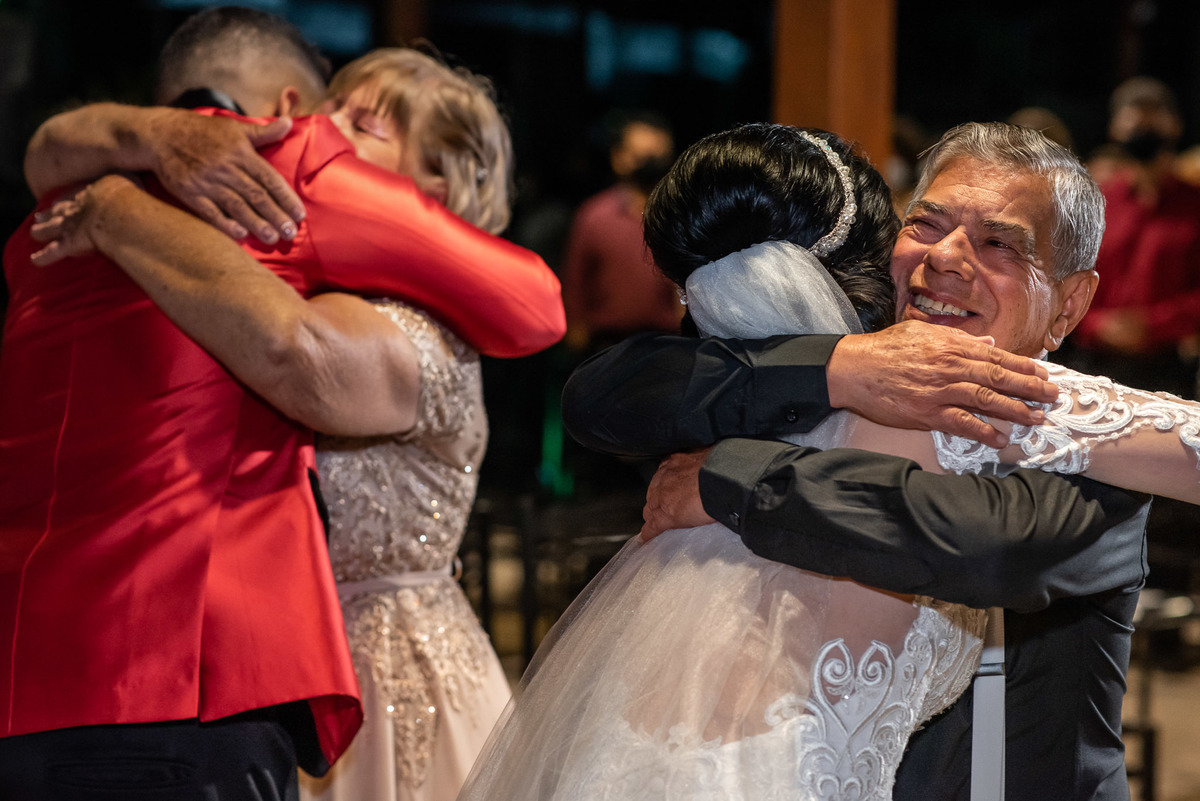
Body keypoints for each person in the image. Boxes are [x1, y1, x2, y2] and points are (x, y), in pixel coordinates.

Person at [461, 122, 1200, 799]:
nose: (945, 257)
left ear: (1069, 305)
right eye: (926, 224)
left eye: (999, 244)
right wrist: (837, 369)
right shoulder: (846, 368)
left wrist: (731, 477)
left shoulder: (1101, 455)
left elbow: (988, 545)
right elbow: (603, 394)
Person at [0, 8, 563, 800]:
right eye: (333, 115)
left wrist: (123, 210)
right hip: (193, 677)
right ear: (289, 108)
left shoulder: (54, 216)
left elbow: (297, 352)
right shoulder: (280, 183)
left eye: (360, 124)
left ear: (436, 191)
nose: (329, 136)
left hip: (39, 681)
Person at [560, 109, 682, 356]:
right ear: (618, 157)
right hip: (607, 347)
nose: (649, 164)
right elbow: (576, 281)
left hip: (672, 346)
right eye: (640, 155)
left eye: (656, 156)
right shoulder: (595, 216)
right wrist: (576, 336)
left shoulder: (683, 215)